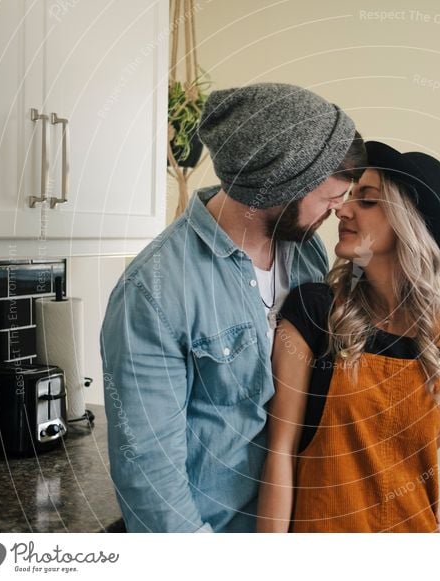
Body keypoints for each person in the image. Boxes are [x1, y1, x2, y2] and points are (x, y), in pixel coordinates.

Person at [100, 83, 366, 532]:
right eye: (329, 198)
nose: (339, 210)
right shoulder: (154, 290)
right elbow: (149, 473)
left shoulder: (306, 254)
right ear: (280, 184)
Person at [257, 141, 440, 532]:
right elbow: (280, 452)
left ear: (407, 224)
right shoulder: (313, 314)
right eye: (349, 196)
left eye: (367, 200)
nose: (342, 209)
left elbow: (408, 467)